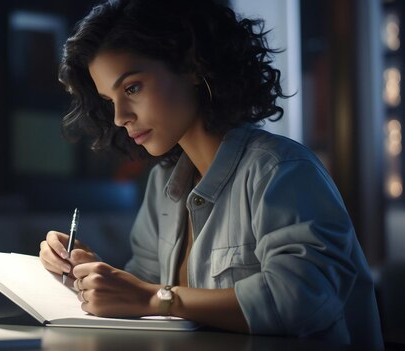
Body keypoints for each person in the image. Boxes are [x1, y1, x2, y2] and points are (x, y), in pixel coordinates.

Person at [39, 0, 383, 348]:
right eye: (110, 100)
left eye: (131, 88)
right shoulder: (163, 184)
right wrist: (94, 274)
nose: (119, 116)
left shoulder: (279, 169)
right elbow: (144, 289)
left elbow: (305, 300)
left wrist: (153, 298)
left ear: (191, 65)